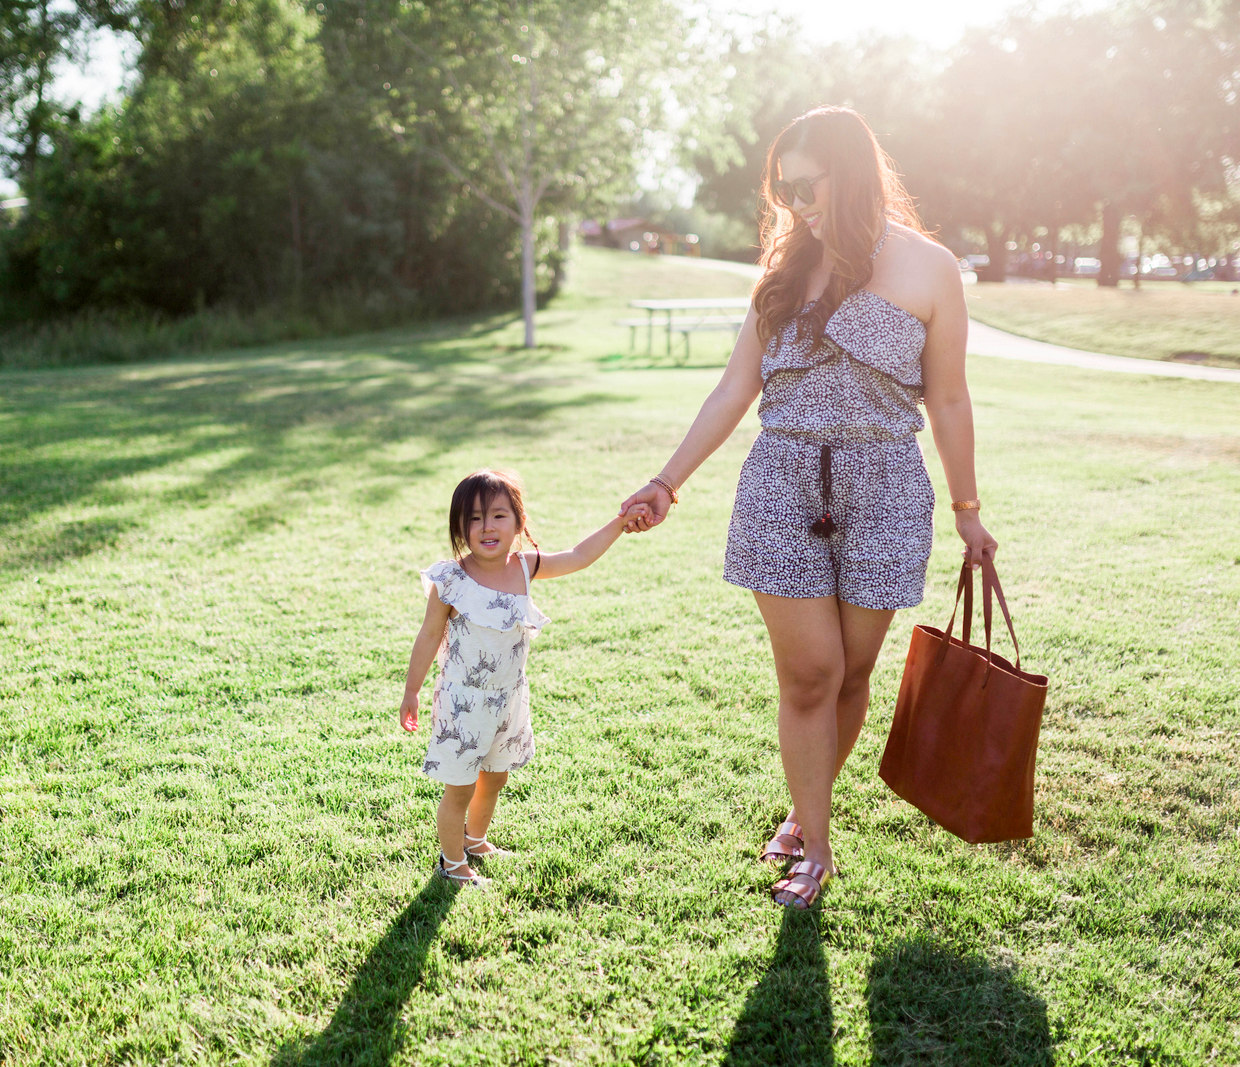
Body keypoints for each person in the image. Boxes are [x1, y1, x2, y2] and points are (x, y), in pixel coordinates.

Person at [619, 106, 998, 909]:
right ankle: (817, 852)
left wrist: (968, 507)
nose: (794, 204)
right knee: (810, 675)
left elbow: (951, 398)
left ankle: (802, 811)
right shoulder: (783, 274)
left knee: (854, 673)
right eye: (783, 190)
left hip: (888, 487)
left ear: (851, 174)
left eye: (807, 186)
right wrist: (666, 479)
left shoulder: (930, 269)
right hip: (781, 482)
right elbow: (733, 389)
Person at [401, 469, 650, 888]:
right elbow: (428, 637)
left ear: (518, 522)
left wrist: (620, 523)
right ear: (460, 527)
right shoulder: (451, 580)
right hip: (464, 703)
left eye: (498, 515)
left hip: (509, 699)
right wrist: (411, 690)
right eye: (474, 519)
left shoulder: (524, 566)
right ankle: (451, 862)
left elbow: (577, 555)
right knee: (459, 787)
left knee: (496, 777)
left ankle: (475, 840)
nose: (487, 527)